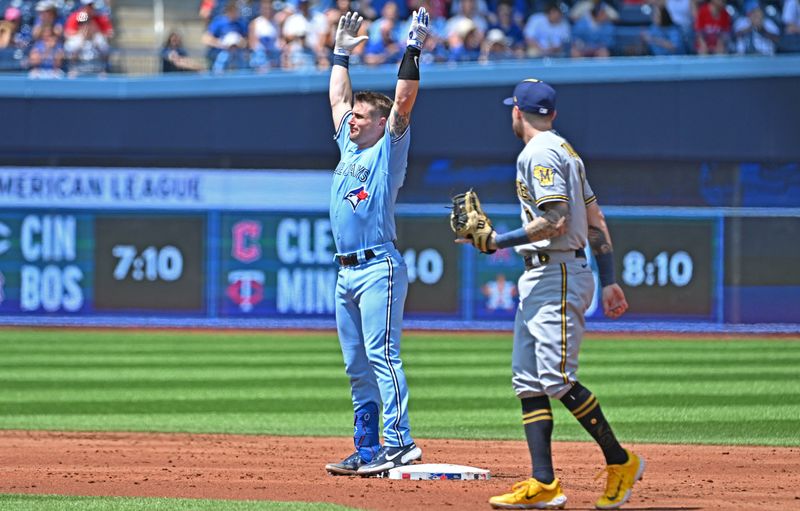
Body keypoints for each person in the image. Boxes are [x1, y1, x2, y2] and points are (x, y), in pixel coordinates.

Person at [454, 78, 644, 509]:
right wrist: (609, 276)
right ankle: (543, 483)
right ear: (552, 114)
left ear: (517, 112)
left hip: (556, 273)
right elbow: (594, 218)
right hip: (548, 274)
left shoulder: (538, 153)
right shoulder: (566, 151)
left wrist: (495, 241)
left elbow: (556, 220)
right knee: (529, 381)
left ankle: (621, 461)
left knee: (557, 380)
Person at [323, 8, 429, 477]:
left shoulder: (387, 150)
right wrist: (341, 52)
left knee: (383, 356)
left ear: (381, 122)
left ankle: (400, 443)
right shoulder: (349, 144)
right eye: (354, 116)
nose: (353, 121)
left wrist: (413, 49)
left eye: (363, 117)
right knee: (356, 367)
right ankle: (366, 449)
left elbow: (403, 101)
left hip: (377, 267)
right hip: (345, 270)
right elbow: (336, 100)